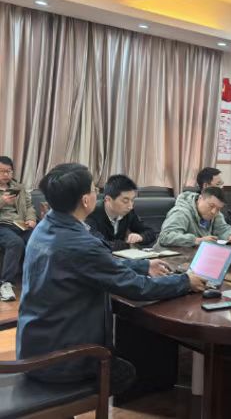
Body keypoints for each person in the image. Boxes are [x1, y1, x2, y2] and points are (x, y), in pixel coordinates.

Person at [16, 163, 206, 391]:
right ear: (86, 200)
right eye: (94, 189)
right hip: (61, 359)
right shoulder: (81, 244)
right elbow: (138, 288)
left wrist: (143, 265)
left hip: (35, 344)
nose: (97, 193)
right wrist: (185, 281)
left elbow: (90, 264)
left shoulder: (46, 226)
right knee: (128, 373)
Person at [86, 174, 157, 251]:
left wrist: (141, 237)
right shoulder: (91, 213)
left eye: (132, 200)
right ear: (108, 199)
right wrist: (125, 245)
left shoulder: (129, 212)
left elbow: (150, 232)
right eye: (125, 201)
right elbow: (97, 243)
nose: (130, 206)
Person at [0, 156, 36, 301]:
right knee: (15, 243)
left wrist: (31, 219)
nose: (5, 174)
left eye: (9, 171)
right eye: (2, 171)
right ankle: (5, 284)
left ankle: (38, 279)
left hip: (20, 224)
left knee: (38, 239)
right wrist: (2, 201)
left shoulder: (18, 187)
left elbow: (29, 206)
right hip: (2, 225)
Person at [158, 186, 231, 247]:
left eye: (218, 209)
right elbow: (165, 237)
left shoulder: (216, 214)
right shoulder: (181, 212)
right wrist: (196, 240)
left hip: (195, 257)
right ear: (200, 199)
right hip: (169, 259)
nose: (214, 211)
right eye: (211, 206)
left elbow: (223, 230)